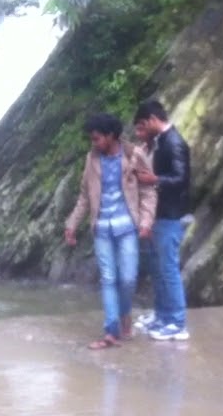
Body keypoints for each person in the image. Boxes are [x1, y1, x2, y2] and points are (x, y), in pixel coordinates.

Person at [64, 113, 157, 349]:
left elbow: (148, 192)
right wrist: (72, 224)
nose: (93, 143)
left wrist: (146, 222)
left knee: (128, 279)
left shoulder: (133, 155)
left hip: (128, 227)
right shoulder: (91, 159)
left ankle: (125, 315)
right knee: (108, 278)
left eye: (97, 138)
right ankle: (111, 332)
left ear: (111, 136)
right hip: (102, 228)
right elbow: (85, 196)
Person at [132, 99, 192, 341]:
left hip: (171, 215)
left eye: (142, 125)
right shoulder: (161, 141)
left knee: (168, 269)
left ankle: (177, 323)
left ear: (153, 120)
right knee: (158, 268)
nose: (141, 131)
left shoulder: (174, 142)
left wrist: (154, 180)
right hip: (160, 214)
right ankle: (163, 315)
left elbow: (181, 179)